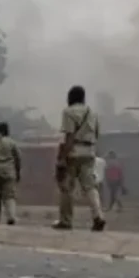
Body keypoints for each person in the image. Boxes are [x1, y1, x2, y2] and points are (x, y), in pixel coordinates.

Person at [54, 85, 106, 231]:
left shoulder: (68, 112)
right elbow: (96, 134)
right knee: (90, 187)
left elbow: (69, 136)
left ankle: (66, 221)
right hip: (89, 152)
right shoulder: (92, 112)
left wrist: (62, 158)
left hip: (74, 152)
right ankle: (98, 216)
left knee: (66, 187)